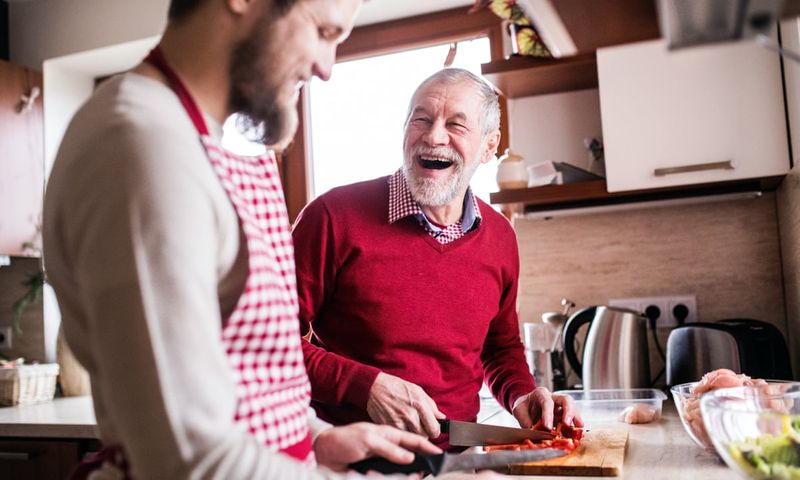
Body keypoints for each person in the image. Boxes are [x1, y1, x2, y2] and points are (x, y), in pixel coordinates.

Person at [43, 1, 504, 478]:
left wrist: (316, 437)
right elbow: (186, 458)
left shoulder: (189, 138)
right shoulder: (144, 145)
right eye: (323, 32)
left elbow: (240, 377)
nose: (325, 68)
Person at [292, 68, 582, 445]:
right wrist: (366, 386)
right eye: (421, 119)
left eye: (456, 125)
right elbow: (266, 343)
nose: (433, 136)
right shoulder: (332, 217)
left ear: (489, 146)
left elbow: (500, 348)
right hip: (348, 461)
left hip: (456, 462)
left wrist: (522, 396)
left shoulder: (500, 237)